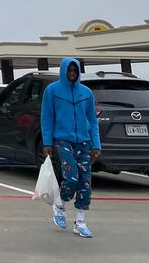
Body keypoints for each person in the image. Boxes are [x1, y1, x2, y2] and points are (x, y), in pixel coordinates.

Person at [41, 58, 101, 238]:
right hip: (62, 140)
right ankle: (60, 204)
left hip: (84, 142)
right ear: (64, 71)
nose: (72, 73)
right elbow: (47, 117)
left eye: (75, 71)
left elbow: (92, 120)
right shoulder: (52, 91)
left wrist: (96, 144)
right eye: (70, 70)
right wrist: (47, 142)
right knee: (71, 177)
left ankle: (80, 221)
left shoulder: (86, 93)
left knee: (85, 181)